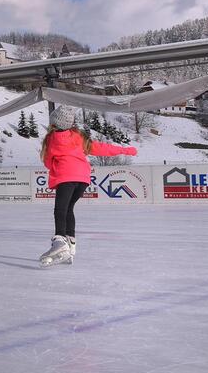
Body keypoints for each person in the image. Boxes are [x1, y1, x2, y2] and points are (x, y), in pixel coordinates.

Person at [39, 105, 138, 267]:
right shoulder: (79, 137)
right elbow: (102, 148)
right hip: (82, 179)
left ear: (54, 123)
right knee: (69, 208)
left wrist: (55, 166)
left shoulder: (51, 139)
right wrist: (127, 151)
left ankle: (59, 241)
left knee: (60, 209)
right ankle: (70, 247)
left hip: (65, 177)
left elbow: (48, 162)